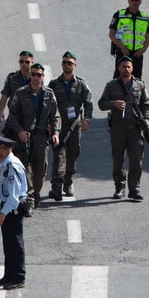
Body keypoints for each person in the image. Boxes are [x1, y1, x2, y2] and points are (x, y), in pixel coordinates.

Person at [3, 62, 59, 209]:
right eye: (33, 74)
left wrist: (55, 133)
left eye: (38, 75)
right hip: (24, 137)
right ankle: (30, 198)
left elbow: (55, 117)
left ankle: (36, 191)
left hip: (41, 137)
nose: (35, 77)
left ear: (43, 76)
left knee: (40, 171)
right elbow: (12, 117)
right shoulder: (21, 93)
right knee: (25, 168)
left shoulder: (49, 94)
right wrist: (20, 131)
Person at [98, 55, 149, 201]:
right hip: (118, 128)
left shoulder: (140, 85)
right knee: (118, 159)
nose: (126, 69)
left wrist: (146, 121)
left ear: (132, 68)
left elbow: (146, 105)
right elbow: (101, 103)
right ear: (118, 68)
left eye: (128, 66)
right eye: (123, 67)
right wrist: (113, 103)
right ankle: (119, 187)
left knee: (136, 159)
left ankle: (134, 189)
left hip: (135, 128)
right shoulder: (111, 85)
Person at [48, 51, 93, 200]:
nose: (66, 65)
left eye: (69, 63)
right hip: (59, 125)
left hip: (75, 125)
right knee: (59, 154)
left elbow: (88, 103)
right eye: (64, 62)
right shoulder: (54, 84)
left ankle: (68, 181)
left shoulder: (81, 84)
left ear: (75, 65)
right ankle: (57, 185)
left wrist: (86, 119)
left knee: (73, 153)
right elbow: (48, 104)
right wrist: (49, 124)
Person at [0, 133, 28, 290]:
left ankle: (18, 277)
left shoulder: (12, 166)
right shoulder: (6, 164)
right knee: (8, 243)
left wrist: (2, 213)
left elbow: (14, 197)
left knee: (15, 243)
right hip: (8, 206)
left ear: (3, 149)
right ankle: (9, 274)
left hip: (13, 208)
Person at [109, 0, 149, 78]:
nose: (134, 2)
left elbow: (148, 37)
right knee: (118, 79)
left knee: (137, 80)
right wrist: (122, 47)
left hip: (137, 54)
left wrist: (142, 50)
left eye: (136, 0)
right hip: (123, 53)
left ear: (140, 2)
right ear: (128, 1)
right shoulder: (119, 15)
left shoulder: (144, 17)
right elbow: (112, 35)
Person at [0, 50, 34, 123]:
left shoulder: (36, 77)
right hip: (14, 115)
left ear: (32, 62)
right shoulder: (12, 77)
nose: (24, 64)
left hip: (31, 116)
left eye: (27, 62)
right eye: (21, 62)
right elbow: (5, 95)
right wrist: (0, 112)